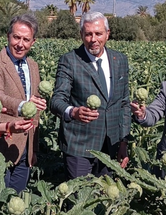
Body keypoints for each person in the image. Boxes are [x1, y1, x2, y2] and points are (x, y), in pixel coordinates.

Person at [49, 11, 130, 179]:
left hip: (110, 145)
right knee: (80, 198)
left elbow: (124, 103)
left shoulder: (120, 60)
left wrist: (123, 142)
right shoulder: (70, 61)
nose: (93, 39)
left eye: (98, 33)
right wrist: (73, 112)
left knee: (104, 197)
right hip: (79, 146)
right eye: (88, 34)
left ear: (107, 34)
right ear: (81, 35)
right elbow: (57, 100)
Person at [0, 14, 46, 192]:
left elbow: (35, 111)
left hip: (25, 150)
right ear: (8, 36)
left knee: (17, 200)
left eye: (26, 39)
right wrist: (23, 105)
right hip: (1, 146)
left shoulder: (33, 66)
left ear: (33, 42)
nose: (20, 44)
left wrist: (33, 149)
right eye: (16, 37)